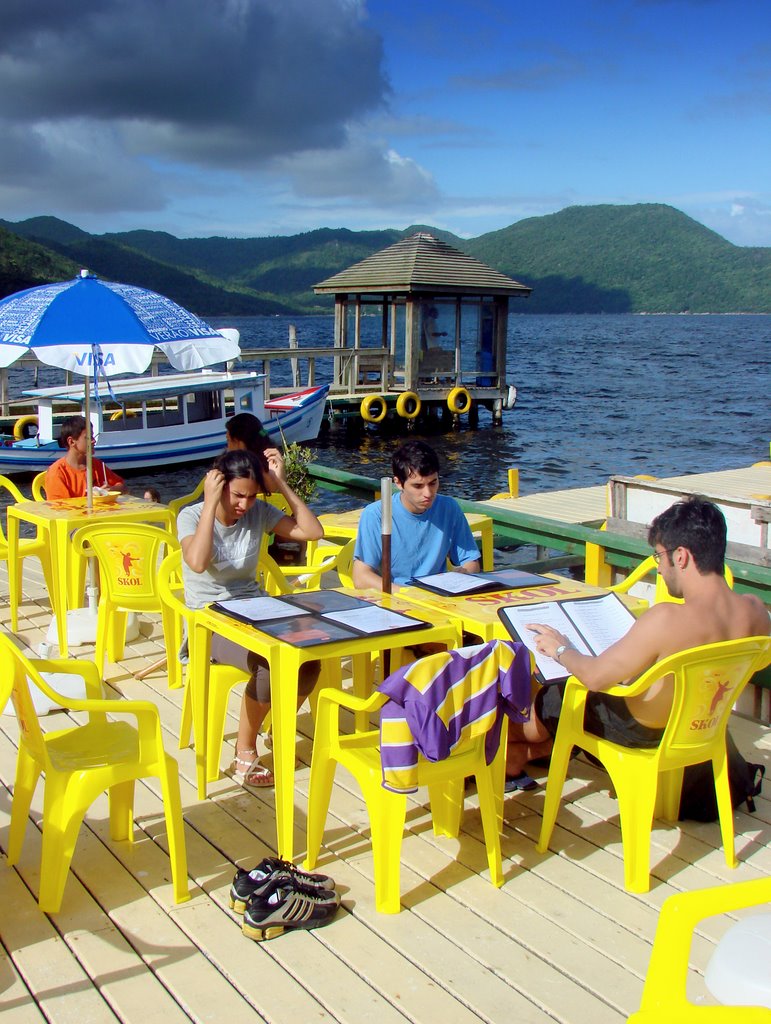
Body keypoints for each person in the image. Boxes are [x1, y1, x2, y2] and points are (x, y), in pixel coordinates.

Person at [505, 497, 771, 776]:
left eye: (659, 556)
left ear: (680, 557)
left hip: (642, 732)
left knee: (557, 694)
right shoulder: (755, 611)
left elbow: (595, 676)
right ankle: (526, 753)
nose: (658, 567)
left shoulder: (667, 618)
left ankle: (495, 748)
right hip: (702, 724)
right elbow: (758, 663)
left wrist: (561, 650)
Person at [176, 448, 324, 788]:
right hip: (211, 623)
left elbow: (312, 532)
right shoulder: (192, 515)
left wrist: (281, 485)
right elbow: (197, 562)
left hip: (256, 610)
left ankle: (273, 722)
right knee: (268, 663)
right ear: (219, 486)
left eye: (252, 496)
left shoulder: (258, 513)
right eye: (238, 495)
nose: (244, 504)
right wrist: (211, 503)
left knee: (310, 656)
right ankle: (244, 750)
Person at [352, 439, 480, 590]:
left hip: (439, 597)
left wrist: (460, 575)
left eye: (433, 483)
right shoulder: (376, 515)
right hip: (397, 597)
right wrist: (406, 594)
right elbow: (360, 577)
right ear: (398, 483)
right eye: (418, 486)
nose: (428, 493)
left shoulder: (449, 507)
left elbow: (471, 562)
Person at [45, 415, 126, 500]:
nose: (94, 440)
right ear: (72, 441)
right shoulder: (57, 472)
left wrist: (111, 490)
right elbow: (60, 508)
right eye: (88, 437)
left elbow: (124, 487)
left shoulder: (97, 465)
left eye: (92, 436)